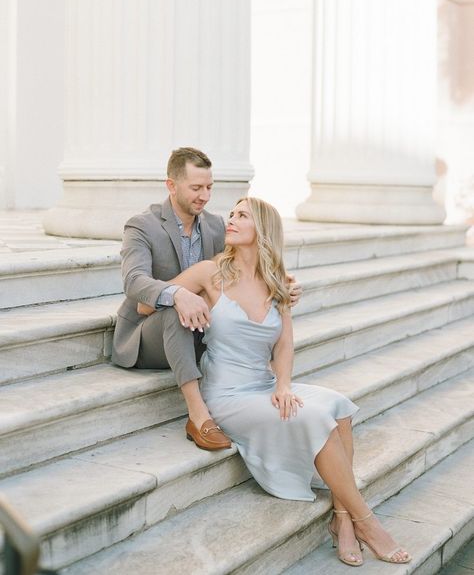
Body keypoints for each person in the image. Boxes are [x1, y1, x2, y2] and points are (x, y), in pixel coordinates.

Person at [141, 196, 411, 567]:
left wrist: (283, 385)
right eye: (232, 214)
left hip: (264, 384)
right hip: (227, 394)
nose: (231, 221)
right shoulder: (209, 272)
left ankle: (342, 519)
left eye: (242, 216)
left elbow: (284, 342)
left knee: (339, 407)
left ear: (262, 230)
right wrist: (182, 294)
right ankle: (367, 521)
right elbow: (145, 305)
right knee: (316, 418)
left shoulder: (278, 282)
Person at [112, 147, 301, 452]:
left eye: (209, 187)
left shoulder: (215, 226)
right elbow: (134, 283)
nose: (205, 196)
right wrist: (177, 294)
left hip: (201, 332)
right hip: (148, 332)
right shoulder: (142, 225)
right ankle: (198, 416)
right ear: (171, 186)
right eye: (196, 188)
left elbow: (240, 270)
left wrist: (282, 284)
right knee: (176, 311)